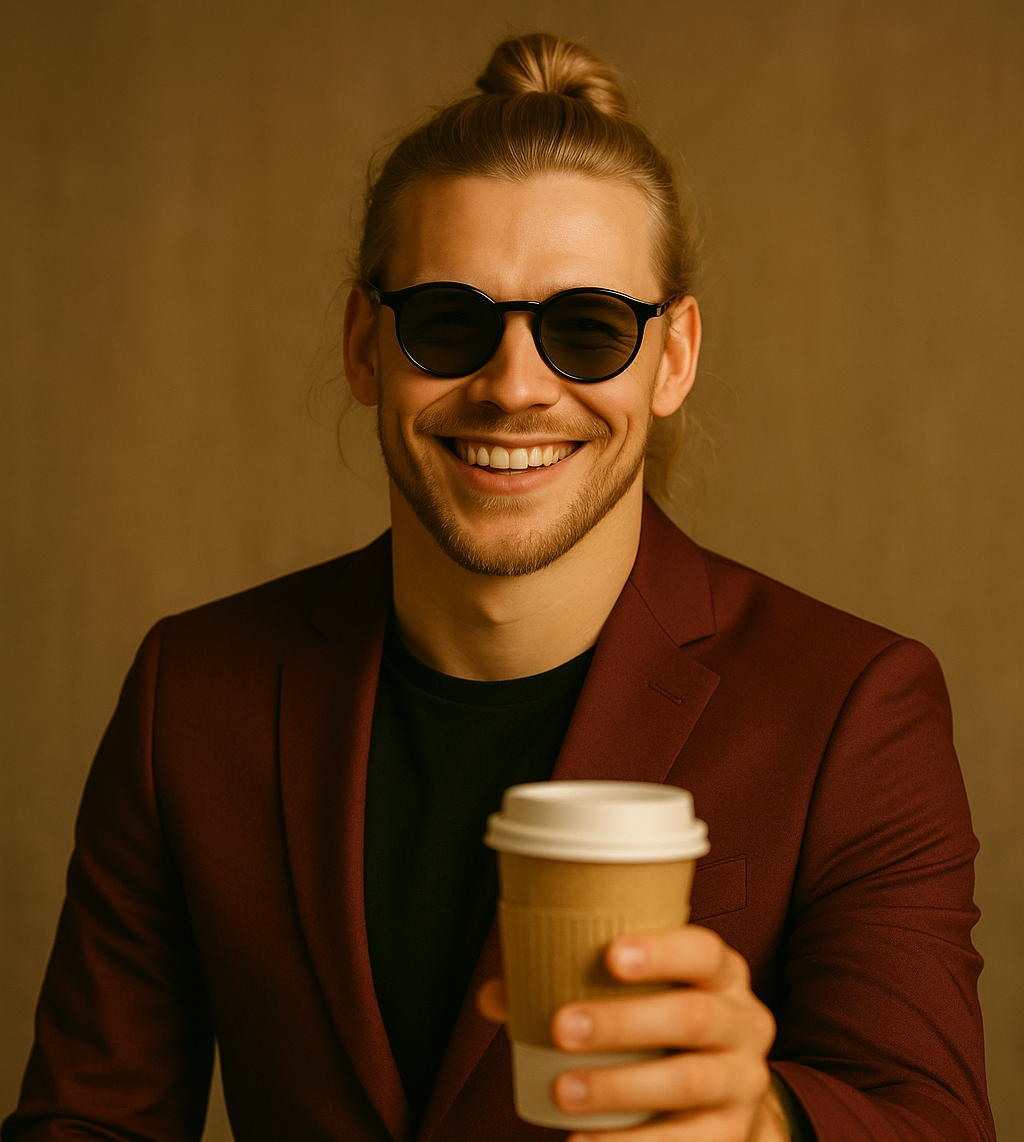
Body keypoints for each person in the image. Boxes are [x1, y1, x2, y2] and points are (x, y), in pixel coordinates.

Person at [4, 32, 994, 1142]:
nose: (515, 386)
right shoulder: (190, 691)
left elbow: (932, 1119)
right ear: (364, 345)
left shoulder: (855, 706)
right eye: (447, 322)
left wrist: (763, 1120)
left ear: (672, 357)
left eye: (588, 329)